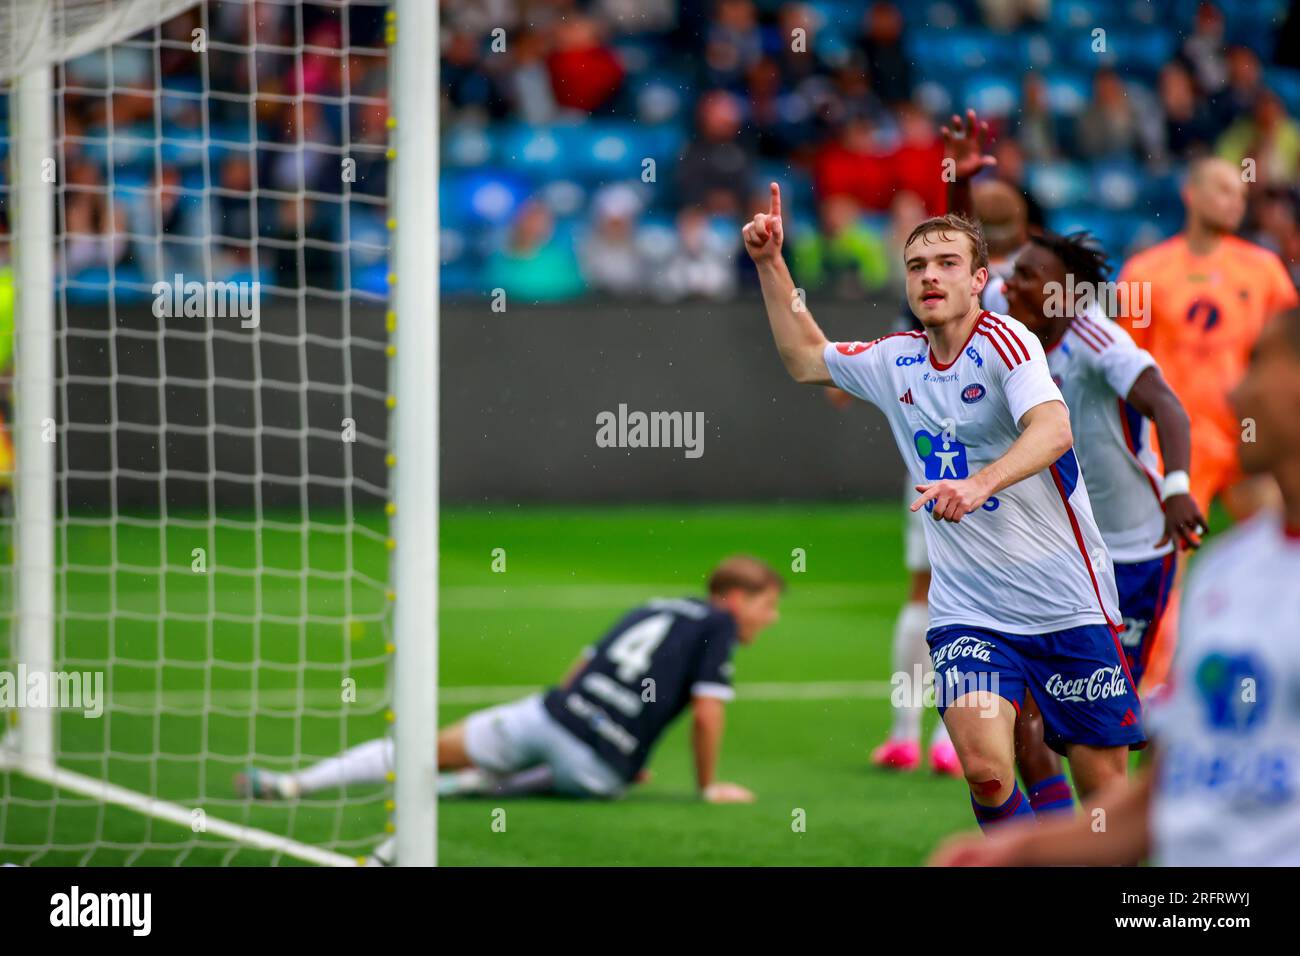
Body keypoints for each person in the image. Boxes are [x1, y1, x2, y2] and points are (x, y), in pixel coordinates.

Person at [745, 185, 1142, 830]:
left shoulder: (1009, 342)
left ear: (980, 279)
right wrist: (770, 264)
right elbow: (803, 358)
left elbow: (1053, 430)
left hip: (1068, 601)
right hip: (970, 611)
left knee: (1104, 801)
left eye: (947, 263)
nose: (930, 275)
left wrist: (981, 484)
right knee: (987, 771)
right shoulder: (895, 359)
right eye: (916, 266)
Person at [932, 307, 1300, 866]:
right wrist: (1019, 853)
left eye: (1254, 367)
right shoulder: (1225, 571)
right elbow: (1163, 797)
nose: (1233, 396)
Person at [236, 555, 782, 806]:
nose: (770, 617)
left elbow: (580, 667)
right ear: (735, 599)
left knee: (424, 750)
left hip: (550, 715)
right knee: (593, 779)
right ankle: (481, 787)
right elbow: (708, 713)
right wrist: (707, 787)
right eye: (767, 605)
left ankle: (297, 784)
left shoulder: (652, 607)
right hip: (595, 765)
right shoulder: (719, 626)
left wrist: (577, 717)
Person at [1002, 230, 1206, 815]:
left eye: (1028, 276)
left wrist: (1177, 488)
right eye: (1013, 273)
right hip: (1061, 551)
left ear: (1067, 293)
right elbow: (961, 257)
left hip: (1133, 552)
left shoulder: (1097, 339)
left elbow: (1167, 404)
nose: (1011, 284)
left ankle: (1139, 826)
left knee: (1105, 720)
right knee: (1026, 704)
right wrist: (957, 179)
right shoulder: (1014, 324)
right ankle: (1063, 839)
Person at [1118, 156, 1299, 690]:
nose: (1235, 199)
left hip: (1248, 443)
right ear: (1191, 194)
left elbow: (1286, 355)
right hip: (1176, 449)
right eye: (1222, 189)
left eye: (1239, 192)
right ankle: (1153, 689)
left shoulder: (1263, 270)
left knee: (1282, 545)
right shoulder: (1147, 272)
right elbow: (1126, 366)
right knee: (1166, 575)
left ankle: (1272, 666)